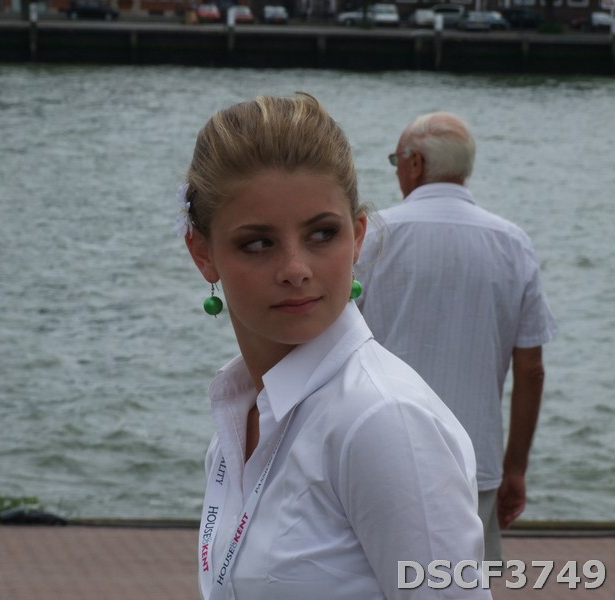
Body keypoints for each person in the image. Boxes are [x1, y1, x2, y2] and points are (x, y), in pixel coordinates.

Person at [177, 93, 491, 600]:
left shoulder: (383, 421)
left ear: (358, 235)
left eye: (322, 234)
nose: (295, 269)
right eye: (258, 243)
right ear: (201, 253)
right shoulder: (242, 415)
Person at [354, 112, 557, 562]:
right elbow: (531, 370)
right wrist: (515, 469)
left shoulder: (372, 236)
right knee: (461, 584)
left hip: (380, 453)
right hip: (475, 460)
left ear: (415, 163)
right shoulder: (513, 243)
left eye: (396, 160)